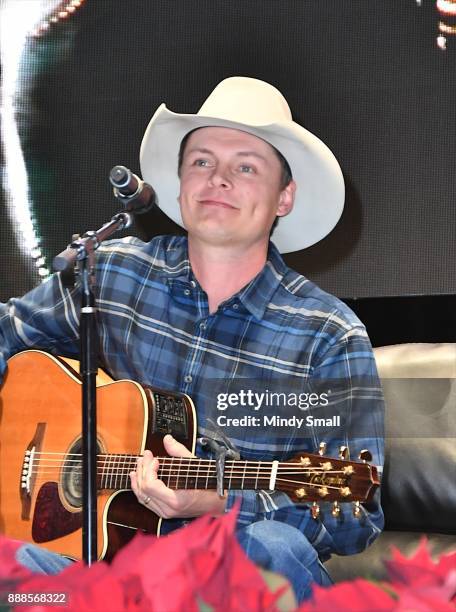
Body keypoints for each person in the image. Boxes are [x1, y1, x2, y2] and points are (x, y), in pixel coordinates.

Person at [0, 77, 384, 602]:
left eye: (246, 166)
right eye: (201, 161)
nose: (218, 179)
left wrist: (221, 502)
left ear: (285, 197)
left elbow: (353, 513)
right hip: (87, 578)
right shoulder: (109, 275)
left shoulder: (327, 336)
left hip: (230, 582)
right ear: (180, 186)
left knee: (273, 546)